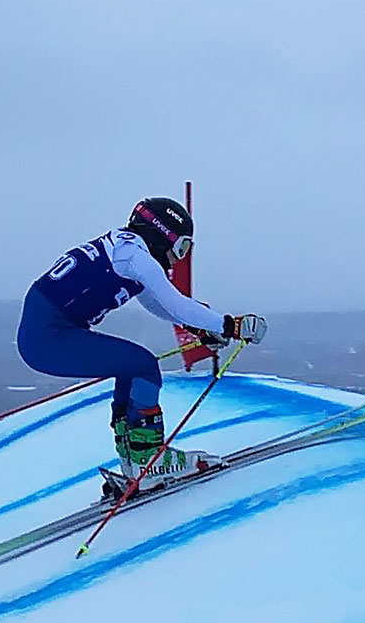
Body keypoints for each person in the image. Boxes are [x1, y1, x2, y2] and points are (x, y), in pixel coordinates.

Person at [17, 197, 267, 490]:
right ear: (163, 236)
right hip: (50, 337)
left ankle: (133, 458)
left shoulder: (125, 248)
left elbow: (157, 302)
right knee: (143, 366)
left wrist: (196, 327)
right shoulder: (137, 258)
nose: (178, 258)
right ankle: (148, 459)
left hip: (46, 332)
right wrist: (231, 325)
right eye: (181, 247)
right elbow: (176, 303)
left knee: (132, 368)